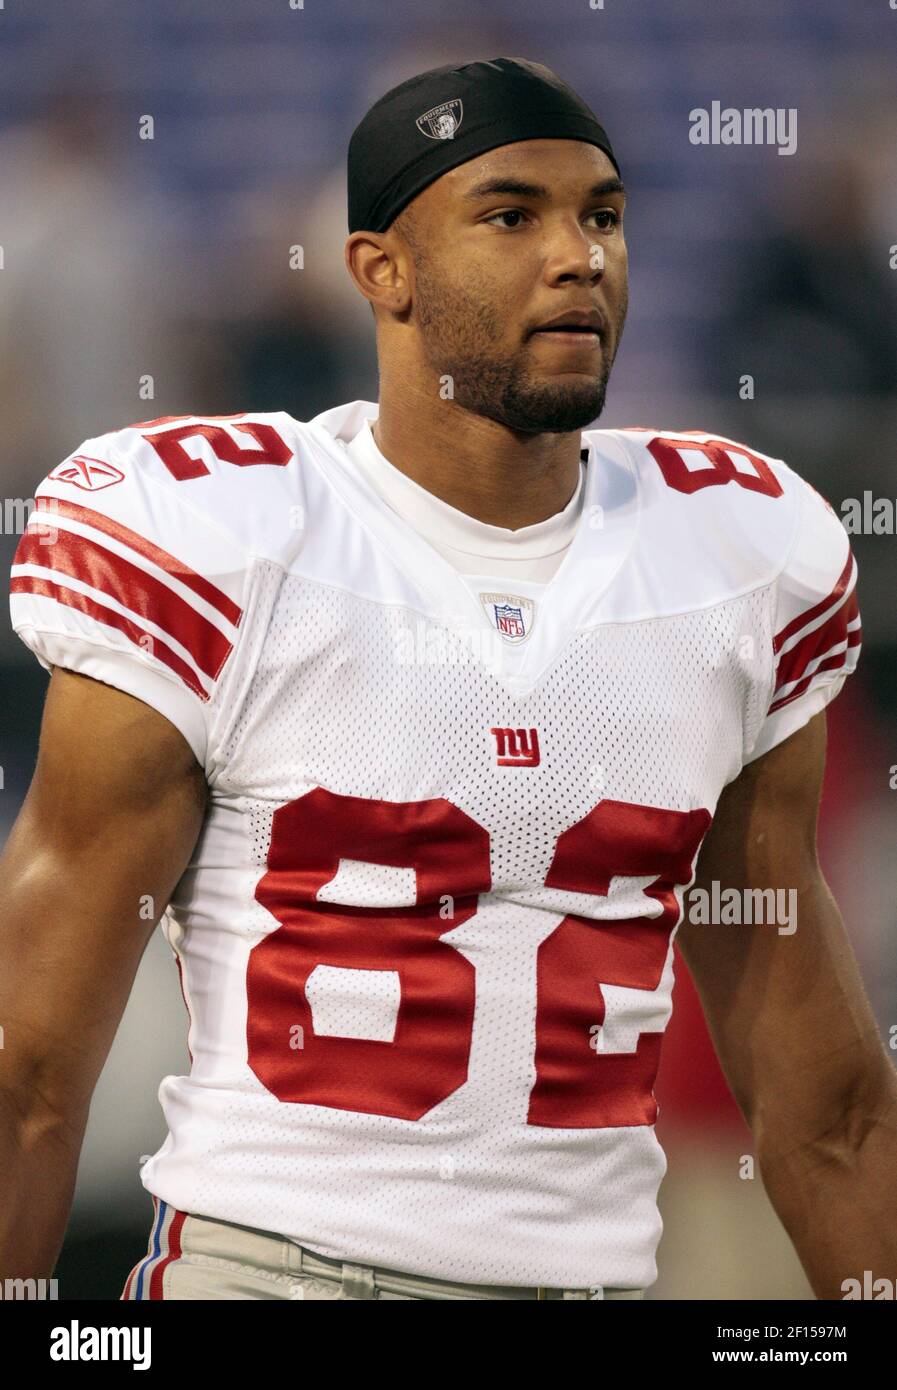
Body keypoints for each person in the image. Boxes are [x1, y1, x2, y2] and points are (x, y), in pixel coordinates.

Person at [1, 57, 894, 1302]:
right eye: (511, 214)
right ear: (383, 270)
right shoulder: (223, 539)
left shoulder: (734, 561)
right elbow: (30, 1075)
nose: (579, 255)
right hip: (271, 1273)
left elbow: (828, 1105)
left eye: (604, 215)